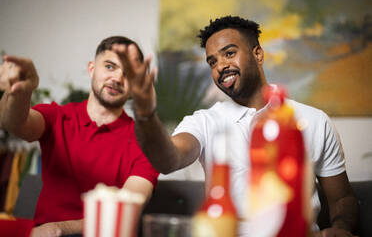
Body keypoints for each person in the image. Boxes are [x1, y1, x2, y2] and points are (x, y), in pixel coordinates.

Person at [116, 16, 359, 236]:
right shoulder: (204, 121)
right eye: (212, 61)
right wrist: (145, 114)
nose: (220, 66)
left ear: (258, 54)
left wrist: (341, 229)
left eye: (229, 53)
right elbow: (168, 160)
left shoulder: (314, 120)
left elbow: (342, 198)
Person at [0, 36, 159, 237]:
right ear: (92, 68)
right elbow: (14, 124)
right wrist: (20, 92)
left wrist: (60, 228)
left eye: (127, 74)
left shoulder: (147, 142)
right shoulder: (57, 116)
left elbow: (125, 208)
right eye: (110, 67)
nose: (117, 78)